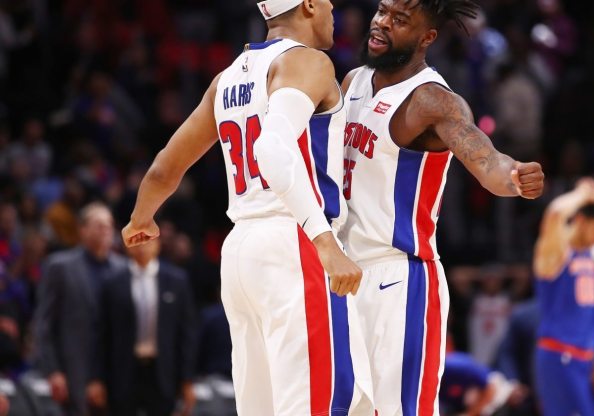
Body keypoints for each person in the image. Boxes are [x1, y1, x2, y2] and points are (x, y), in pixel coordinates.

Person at [120, 0, 375, 414]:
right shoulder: (308, 62)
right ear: (309, 5)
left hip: (241, 252)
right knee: (319, 403)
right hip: (296, 242)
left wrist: (140, 218)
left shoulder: (227, 78)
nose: (333, 8)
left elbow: (166, 167)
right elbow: (272, 149)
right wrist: (325, 243)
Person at [339, 0, 545, 413]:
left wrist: (512, 176)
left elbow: (484, 158)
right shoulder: (353, 82)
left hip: (398, 277)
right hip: (343, 275)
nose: (381, 23)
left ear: (426, 37)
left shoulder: (432, 101)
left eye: (400, 20)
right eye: (382, 11)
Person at [531, 179, 594, 416]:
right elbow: (556, 214)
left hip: (586, 361)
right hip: (560, 355)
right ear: (580, 221)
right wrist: (584, 193)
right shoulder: (557, 254)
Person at [32, 202, 126, 415]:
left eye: (109, 225)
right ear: (82, 230)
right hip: (73, 368)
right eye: (98, 225)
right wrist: (53, 370)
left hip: (114, 372)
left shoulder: (123, 269)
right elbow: (44, 323)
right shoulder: (60, 266)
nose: (105, 230)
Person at [87, 238, 198, 416]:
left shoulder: (177, 280)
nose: (142, 246)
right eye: (137, 241)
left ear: (158, 245)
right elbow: (101, 335)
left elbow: (187, 335)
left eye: (147, 241)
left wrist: (187, 379)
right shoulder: (112, 282)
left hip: (163, 370)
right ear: (127, 247)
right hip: (123, 371)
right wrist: (95, 378)